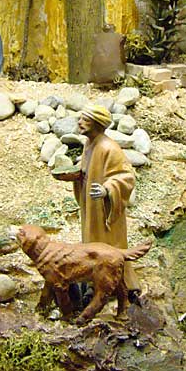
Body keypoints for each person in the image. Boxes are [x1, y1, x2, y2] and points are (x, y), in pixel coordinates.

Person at [55, 104, 139, 301]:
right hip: (91, 208)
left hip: (104, 210)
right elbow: (88, 170)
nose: (79, 122)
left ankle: (119, 284)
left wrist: (107, 189)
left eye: (85, 120)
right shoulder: (89, 144)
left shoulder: (109, 148)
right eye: (80, 119)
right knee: (91, 244)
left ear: (97, 123)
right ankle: (93, 281)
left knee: (108, 248)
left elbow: (126, 177)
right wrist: (76, 175)